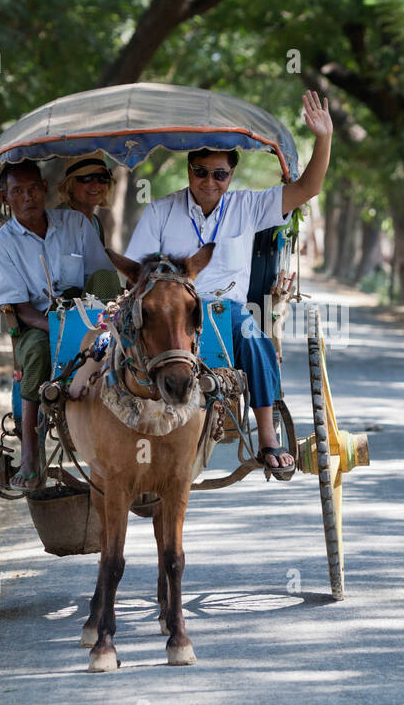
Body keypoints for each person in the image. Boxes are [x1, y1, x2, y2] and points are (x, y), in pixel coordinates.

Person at [123, 89, 334, 477]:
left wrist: (324, 138)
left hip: (227, 311)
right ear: (189, 170)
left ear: (230, 175)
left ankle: (268, 438)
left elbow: (307, 189)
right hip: (175, 311)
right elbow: (136, 272)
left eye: (219, 174)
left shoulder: (248, 207)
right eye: (200, 172)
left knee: (254, 337)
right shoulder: (161, 211)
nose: (209, 181)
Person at [0, 160, 95, 490]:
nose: (28, 197)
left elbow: (103, 277)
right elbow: (21, 309)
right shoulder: (2, 246)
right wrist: (61, 331)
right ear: (5, 197)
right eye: (18, 191)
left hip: (88, 313)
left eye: (33, 188)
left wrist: (98, 320)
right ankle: (32, 455)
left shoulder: (75, 223)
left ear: (45, 188)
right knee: (34, 352)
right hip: (37, 322)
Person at [57, 153, 121, 299]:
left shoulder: (96, 223)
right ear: (70, 184)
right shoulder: (58, 221)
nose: (96, 185)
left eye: (102, 179)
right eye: (86, 178)